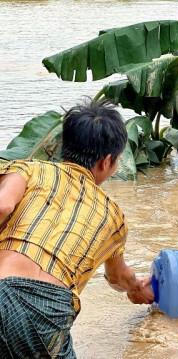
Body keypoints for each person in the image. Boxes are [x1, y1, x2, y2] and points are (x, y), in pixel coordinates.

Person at [0, 99, 154, 358]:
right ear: (107, 162)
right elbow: (118, 277)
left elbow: (3, 205)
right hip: (50, 312)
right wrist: (138, 288)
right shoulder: (113, 216)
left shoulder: (28, 169)